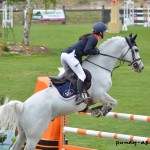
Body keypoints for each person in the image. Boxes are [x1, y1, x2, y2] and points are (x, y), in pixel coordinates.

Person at [61, 22, 107, 105]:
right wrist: (96, 51)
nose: (105, 33)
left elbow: (85, 50)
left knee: (68, 74)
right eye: (104, 31)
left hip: (64, 55)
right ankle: (78, 97)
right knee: (82, 75)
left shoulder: (91, 37)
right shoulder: (94, 38)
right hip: (71, 56)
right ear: (100, 32)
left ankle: (63, 90)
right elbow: (87, 50)